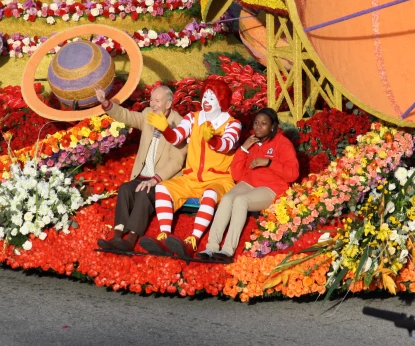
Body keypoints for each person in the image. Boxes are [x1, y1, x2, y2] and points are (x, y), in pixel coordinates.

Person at [140, 81, 241, 259]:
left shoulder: (232, 124)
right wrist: (165, 129)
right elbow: (177, 138)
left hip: (218, 180)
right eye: (205, 97)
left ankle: (192, 241)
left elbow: (227, 145)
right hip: (192, 178)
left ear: (222, 100)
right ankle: (165, 235)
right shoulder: (192, 118)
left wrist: (213, 140)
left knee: (210, 194)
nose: (206, 101)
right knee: (162, 188)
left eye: (212, 97)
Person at [197, 108, 298, 263]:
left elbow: (293, 174)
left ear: (272, 126)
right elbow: (237, 175)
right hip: (249, 183)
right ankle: (211, 247)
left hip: (272, 188)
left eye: (264, 124)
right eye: (256, 123)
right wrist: (243, 148)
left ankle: (227, 250)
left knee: (240, 201)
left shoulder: (282, 143)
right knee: (227, 198)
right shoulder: (251, 143)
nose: (259, 126)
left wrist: (269, 162)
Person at [95, 85, 187, 252]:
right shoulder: (148, 115)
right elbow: (127, 116)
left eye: (157, 101)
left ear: (168, 104)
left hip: (162, 181)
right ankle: (116, 237)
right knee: (125, 189)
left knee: (144, 194)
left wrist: (154, 180)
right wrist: (106, 103)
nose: (153, 104)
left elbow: (176, 161)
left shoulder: (180, 124)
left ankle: (130, 240)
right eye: (151, 100)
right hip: (142, 175)